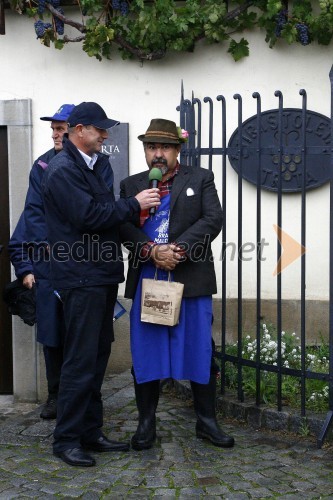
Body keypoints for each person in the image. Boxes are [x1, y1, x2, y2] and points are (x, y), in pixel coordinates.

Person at [41, 102, 160, 467]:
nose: (105, 135)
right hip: (80, 275)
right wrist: (133, 203)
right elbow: (89, 215)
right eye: (99, 129)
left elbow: (104, 213)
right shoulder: (62, 171)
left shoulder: (96, 164)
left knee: (97, 357)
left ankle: (90, 432)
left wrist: (128, 213)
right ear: (79, 130)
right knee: (79, 360)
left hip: (102, 273)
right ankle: (67, 440)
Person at [119, 118, 235, 451]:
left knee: (198, 348)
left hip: (191, 279)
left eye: (165, 147)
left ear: (177, 150)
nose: (158, 154)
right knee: (148, 351)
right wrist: (151, 250)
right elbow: (124, 228)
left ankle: (207, 422)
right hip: (150, 278)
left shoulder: (200, 178)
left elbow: (213, 219)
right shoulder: (132, 186)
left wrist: (178, 250)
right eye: (152, 147)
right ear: (145, 150)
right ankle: (145, 425)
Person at [8, 104, 75, 419]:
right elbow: (26, 227)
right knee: (51, 337)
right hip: (49, 270)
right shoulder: (42, 165)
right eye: (53, 129)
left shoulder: (94, 165)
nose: (55, 133)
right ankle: (55, 396)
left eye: (61, 128)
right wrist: (27, 270)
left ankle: (80, 398)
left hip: (79, 268)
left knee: (80, 337)